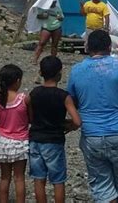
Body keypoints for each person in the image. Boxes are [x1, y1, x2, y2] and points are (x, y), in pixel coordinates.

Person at [67, 30, 118, 202]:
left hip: (92, 135)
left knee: (102, 187)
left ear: (88, 47)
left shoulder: (76, 71)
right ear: (109, 47)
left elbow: (71, 101)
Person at [29, 56, 81, 203]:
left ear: (40, 72)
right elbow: (77, 121)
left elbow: (31, 117)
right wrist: (68, 126)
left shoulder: (34, 93)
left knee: (38, 179)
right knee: (58, 180)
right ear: (60, 74)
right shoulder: (64, 96)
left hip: (36, 139)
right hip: (54, 141)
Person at [0, 64, 30, 203]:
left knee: (4, 177)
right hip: (20, 142)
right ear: (18, 81)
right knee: (19, 178)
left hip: (2, 141)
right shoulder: (23, 99)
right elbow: (30, 118)